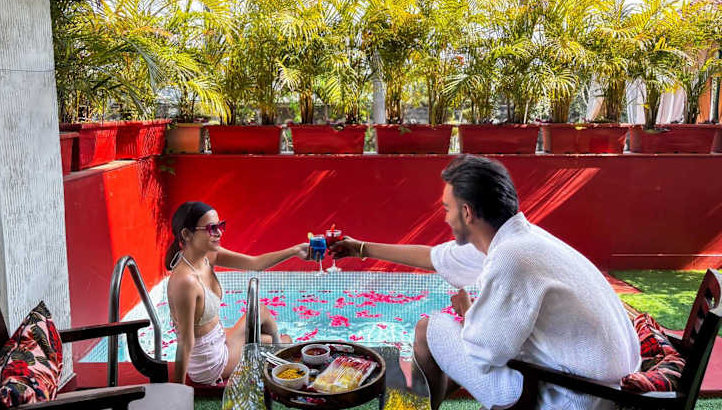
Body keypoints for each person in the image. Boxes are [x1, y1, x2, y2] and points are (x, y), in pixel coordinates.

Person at [330, 155, 640, 410]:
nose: (445, 218)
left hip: (570, 396)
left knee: (429, 329)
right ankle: (415, 404)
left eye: (447, 209)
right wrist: (360, 249)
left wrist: (468, 314)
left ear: (467, 213)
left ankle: (411, 407)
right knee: (448, 343)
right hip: (599, 383)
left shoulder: (511, 258)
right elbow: (434, 257)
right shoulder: (520, 238)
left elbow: (485, 352)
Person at [165, 201, 311, 385]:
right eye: (211, 228)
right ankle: (278, 349)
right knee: (278, 334)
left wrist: (295, 251)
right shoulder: (185, 281)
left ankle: (276, 347)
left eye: (220, 226)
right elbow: (185, 342)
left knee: (270, 333)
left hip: (217, 339)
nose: (219, 233)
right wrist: (178, 390)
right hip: (209, 363)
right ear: (187, 234)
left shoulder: (208, 255)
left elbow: (255, 263)